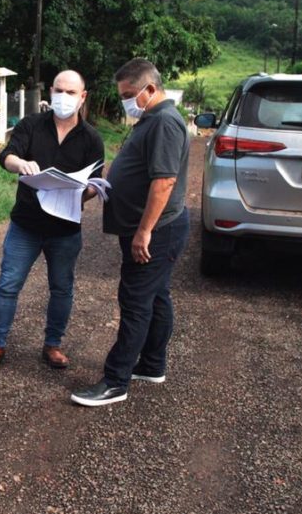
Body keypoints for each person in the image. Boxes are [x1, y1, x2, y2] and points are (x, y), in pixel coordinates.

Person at [71, 58, 191, 407]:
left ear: (150, 89)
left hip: (159, 229)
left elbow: (164, 181)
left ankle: (115, 381)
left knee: (135, 301)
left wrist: (144, 231)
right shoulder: (152, 119)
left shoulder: (165, 123)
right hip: (155, 228)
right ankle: (152, 364)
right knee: (156, 296)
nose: (125, 101)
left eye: (128, 94)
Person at [0, 70, 104, 371]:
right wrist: (20, 163)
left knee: (61, 288)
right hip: (26, 224)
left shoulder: (92, 139)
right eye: (59, 90)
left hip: (65, 229)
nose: (63, 97)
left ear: (83, 97)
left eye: (71, 92)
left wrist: (87, 191)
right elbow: (7, 156)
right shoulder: (31, 125)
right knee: (8, 284)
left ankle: (53, 345)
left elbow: (96, 182)